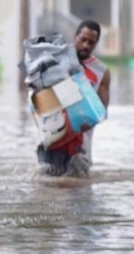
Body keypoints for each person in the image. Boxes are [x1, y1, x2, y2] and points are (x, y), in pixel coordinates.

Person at [37, 20, 111, 177]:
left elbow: (103, 111)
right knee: (45, 188)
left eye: (91, 42)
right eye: (83, 39)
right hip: (53, 139)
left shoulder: (101, 72)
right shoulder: (56, 61)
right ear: (75, 36)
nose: (86, 45)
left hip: (81, 145)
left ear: (96, 44)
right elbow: (36, 96)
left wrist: (90, 120)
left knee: (77, 192)